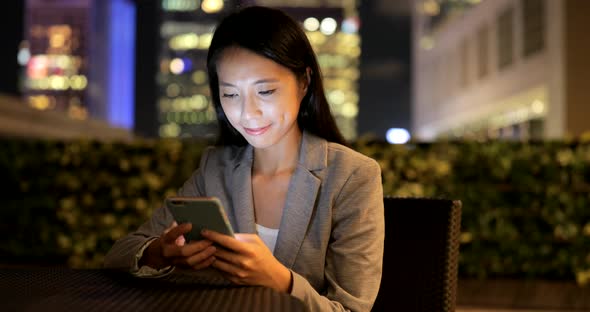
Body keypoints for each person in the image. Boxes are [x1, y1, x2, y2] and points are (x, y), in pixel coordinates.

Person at [104, 5, 384, 312]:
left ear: (304, 82)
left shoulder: (351, 176)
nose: (247, 112)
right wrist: (161, 253)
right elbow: (121, 253)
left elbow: (351, 310)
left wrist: (280, 280)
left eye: (265, 91)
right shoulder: (216, 169)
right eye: (231, 94)